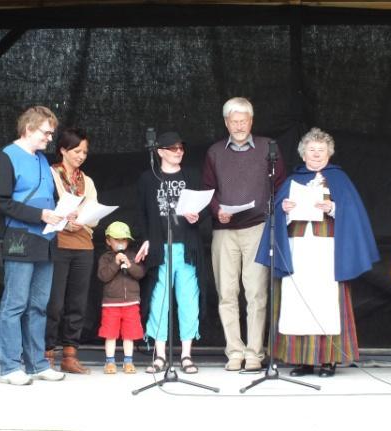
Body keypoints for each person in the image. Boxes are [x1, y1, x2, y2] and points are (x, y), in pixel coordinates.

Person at [256, 127, 379, 377]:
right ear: (303, 154)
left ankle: (328, 360)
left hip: (327, 250)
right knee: (298, 302)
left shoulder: (339, 179)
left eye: (321, 150)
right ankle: (302, 361)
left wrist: (333, 207)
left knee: (325, 302)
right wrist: (285, 210)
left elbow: (353, 214)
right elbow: (276, 217)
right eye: (312, 150)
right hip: (298, 249)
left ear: (329, 154)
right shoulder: (292, 181)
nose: (316, 154)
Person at [202, 97, 286, 371]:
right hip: (224, 231)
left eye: (243, 120)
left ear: (251, 121)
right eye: (233, 121)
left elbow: (280, 185)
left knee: (256, 293)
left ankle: (254, 354)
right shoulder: (215, 151)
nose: (238, 126)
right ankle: (234, 352)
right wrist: (217, 211)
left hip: (258, 227)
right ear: (226, 122)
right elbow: (208, 189)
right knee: (226, 293)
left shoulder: (268, 147)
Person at [0, 106, 66, 385]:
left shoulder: (42, 160)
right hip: (20, 238)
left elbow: (48, 198)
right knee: (15, 304)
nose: (49, 138)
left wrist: (61, 214)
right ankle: (10, 367)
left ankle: (37, 364)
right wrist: (41, 215)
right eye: (46, 132)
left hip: (46, 238)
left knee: (39, 305)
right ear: (29, 129)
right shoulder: (7, 157)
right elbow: (0, 201)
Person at [134, 131, 206, 374]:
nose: (179, 152)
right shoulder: (148, 178)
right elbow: (141, 213)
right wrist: (146, 239)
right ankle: (160, 354)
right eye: (173, 148)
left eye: (181, 148)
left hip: (186, 246)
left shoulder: (192, 176)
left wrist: (197, 216)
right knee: (159, 300)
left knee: (188, 299)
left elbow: (203, 209)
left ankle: (186, 355)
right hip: (160, 246)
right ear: (160, 151)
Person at [44, 128, 97, 374]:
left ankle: (69, 355)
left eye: (84, 152)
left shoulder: (87, 181)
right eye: (76, 151)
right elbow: (45, 206)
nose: (81, 156)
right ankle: (46, 353)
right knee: (54, 303)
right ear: (63, 150)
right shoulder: (50, 174)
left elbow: (94, 216)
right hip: (58, 243)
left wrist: (82, 219)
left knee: (77, 302)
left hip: (83, 245)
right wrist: (66, 218)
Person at [96, 221, 146, 374]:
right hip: (111, 303)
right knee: (110, 333)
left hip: (131, 302)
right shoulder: (106, 258)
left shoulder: (132, 255)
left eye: (123, 240)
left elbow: (140, 273)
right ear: (108, 241)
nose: (120, 243)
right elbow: (103, 276)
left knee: (129, 334)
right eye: (116, 239)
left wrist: (129, 265)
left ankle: (128, 361)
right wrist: (116, 263)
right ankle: (110, 362)